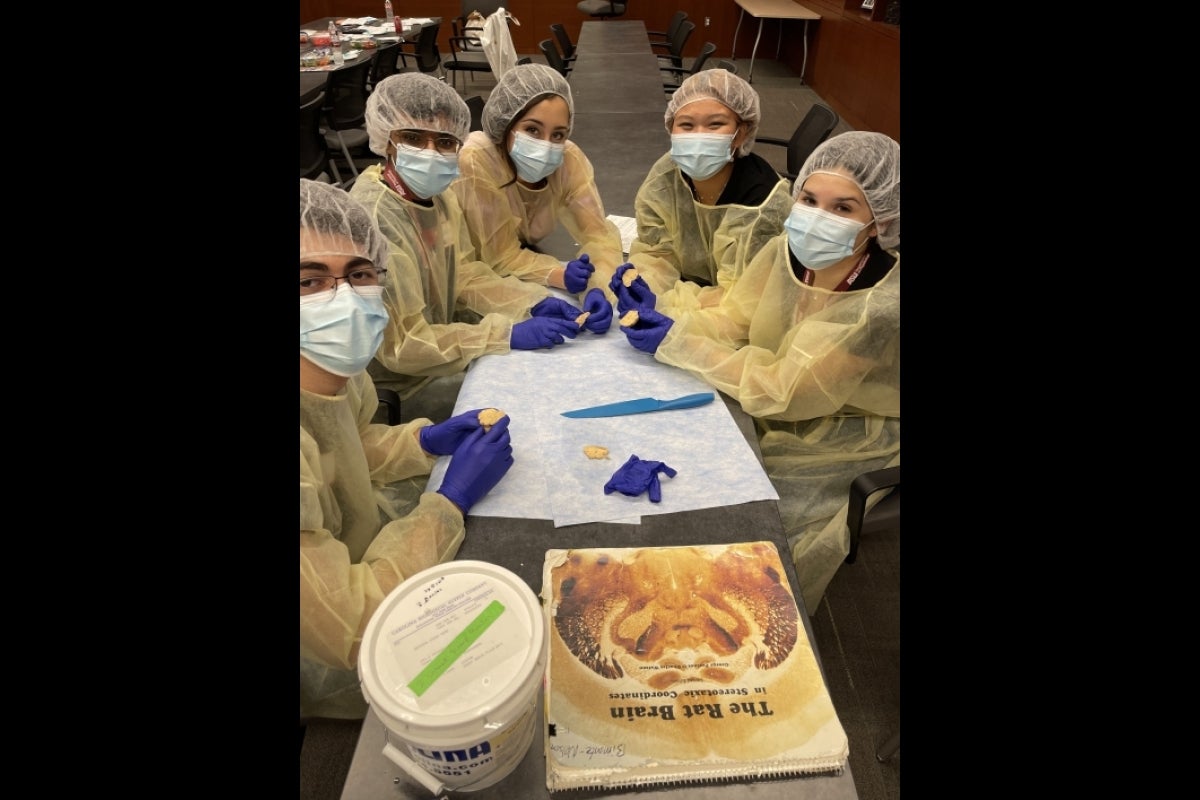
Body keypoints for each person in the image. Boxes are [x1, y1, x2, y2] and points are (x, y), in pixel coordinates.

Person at [610, 131, 900, 614]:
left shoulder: (882, 308)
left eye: (843, 209)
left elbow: (786, 390)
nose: (817, 218)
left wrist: (679, 344)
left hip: (844, 428)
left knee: (751, 527)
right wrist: (670, 318)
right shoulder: (789, 252)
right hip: (770, 389)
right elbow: (737, 316)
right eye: (809, 199)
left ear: (879, 223)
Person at [300, 178, 517, 720]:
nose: (343, 299)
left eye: (358, 274)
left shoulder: (334, 371)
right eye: (309, 282)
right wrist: (449, 503)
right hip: (329, 647)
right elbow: (356, 625)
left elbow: (344, 450)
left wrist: (421, 441)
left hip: (351, 555)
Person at [349, 72, 613, 401]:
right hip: (396, 388)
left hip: (441, 352)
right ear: (386, 140)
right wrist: (505, 334)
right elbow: (402, 347)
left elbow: (465, 273)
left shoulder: (438, 196)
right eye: (414, 138)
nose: (430, 152)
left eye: (444, 141)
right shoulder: (375, 220)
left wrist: (532, 302)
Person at [624, 68, 794, 314]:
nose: (699, 136)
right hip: (690, 290)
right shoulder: (668, 173)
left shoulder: (762, 202)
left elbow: (740, 301)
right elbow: (656, 251)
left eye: (715, 124)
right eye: (686, 125)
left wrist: (668, 305)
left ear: (741, 133)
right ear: (671, 128)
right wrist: (642, 283)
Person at [451, 63, 623, 299]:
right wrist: (559, 274)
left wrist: (599, 285)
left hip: (522, 261)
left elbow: (599, 237)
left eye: (558, 134)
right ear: (506, 124)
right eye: (532, 130)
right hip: (471, 275)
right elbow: (500, 255)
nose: (546, 144)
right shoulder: (477, 159)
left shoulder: (567, 158)